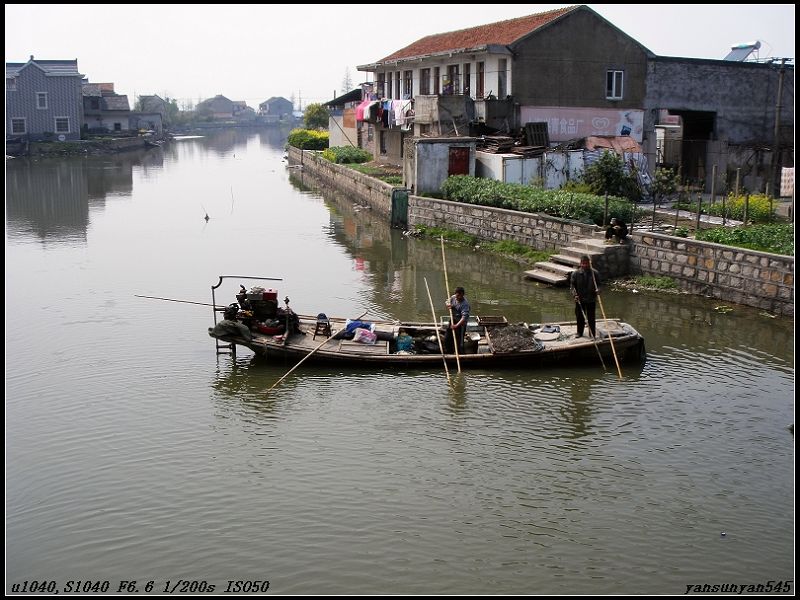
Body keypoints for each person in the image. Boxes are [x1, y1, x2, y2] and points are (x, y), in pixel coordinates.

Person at [569, 256, 601, 338]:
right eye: (583, 263)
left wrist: (598, 290)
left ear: (589, 263)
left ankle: (592, 333)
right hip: (580, 300)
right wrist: (574, 295)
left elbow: (599, 285)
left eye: (586, 263)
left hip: (591, 299)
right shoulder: (575, 274)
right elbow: (572, 287)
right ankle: (579, 332)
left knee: (591, 318)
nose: (585, 265)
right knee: (580, 317)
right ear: (580, 263)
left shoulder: (595, 273)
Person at [445, 286, 470, 352]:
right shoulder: (454, 297)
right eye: (457, 296)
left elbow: (464, 318)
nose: (457, 297)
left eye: (459, 296)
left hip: (460, 324)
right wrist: (448, 305)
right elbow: (447, 301)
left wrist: (456, 326)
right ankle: (449, 352)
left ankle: (460, 354)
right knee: (447, 338)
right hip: (453, 319)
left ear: (462, 295)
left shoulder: (465, 304)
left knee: (459, 342)